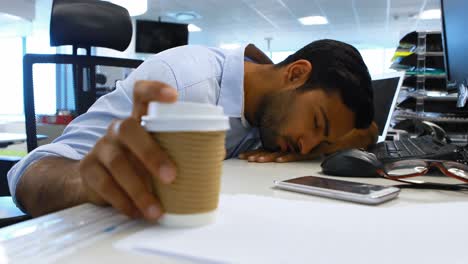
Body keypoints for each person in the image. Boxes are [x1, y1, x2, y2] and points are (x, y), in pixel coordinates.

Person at [8, 39, 378, 220]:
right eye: (316, 124)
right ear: (295, 73)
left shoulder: (267, 100)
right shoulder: (183, 84)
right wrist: (85, 182)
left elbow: (368, 132)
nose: (307, 144)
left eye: (323, 141)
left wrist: (323, 145)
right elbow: (28, 174)